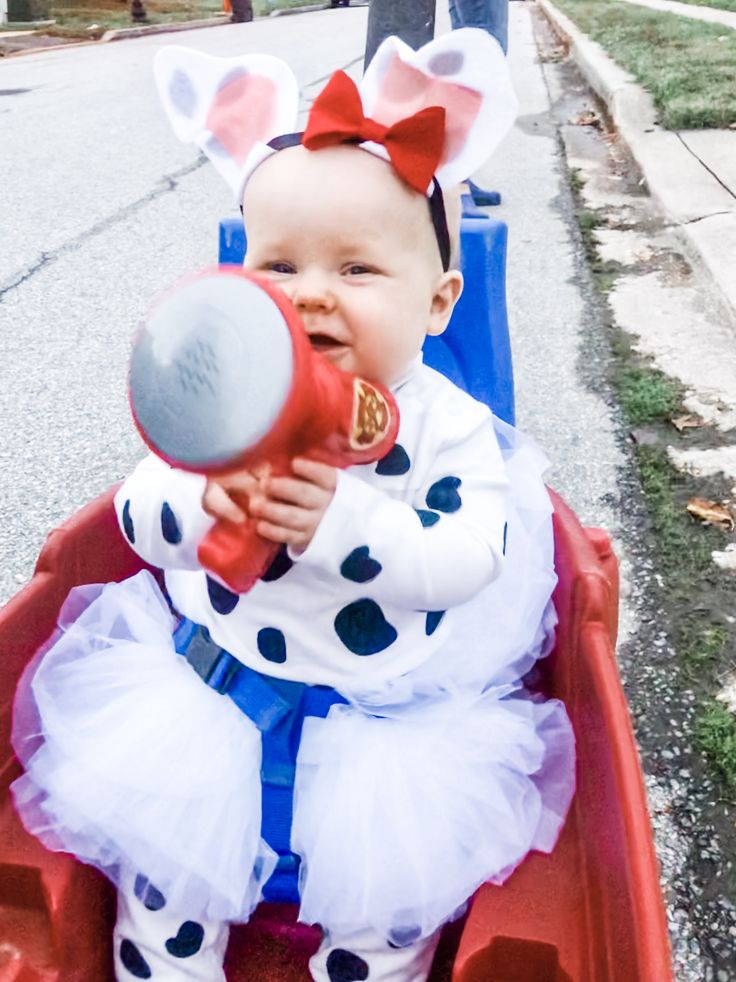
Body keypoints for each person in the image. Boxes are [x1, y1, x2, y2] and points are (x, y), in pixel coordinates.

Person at [10, 29, 574, 982]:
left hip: (387, 731)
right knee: (166, 881)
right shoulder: (228, 394)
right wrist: (199, 503)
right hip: (207, 702)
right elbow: (141, 519)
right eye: (279, 267)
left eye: (357, 271)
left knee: (386, 917)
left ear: (437, 303)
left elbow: (470, 558)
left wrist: (345, 529)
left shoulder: (450, 429)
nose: (311, 296)